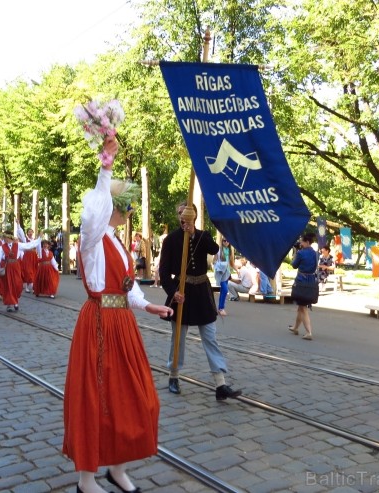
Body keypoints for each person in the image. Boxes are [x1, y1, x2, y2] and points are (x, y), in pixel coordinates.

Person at [62, 135, 172, 493]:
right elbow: (93, 212)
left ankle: (117, 469)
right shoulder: (93, 239)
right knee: (97, 399)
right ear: (114, 208)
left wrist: (147, 305)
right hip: (98, 324)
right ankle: (86, 478)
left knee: (137, 399)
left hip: (122, 323)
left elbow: (128, 287)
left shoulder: (117, 242)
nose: (128, 217)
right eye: (126, 210)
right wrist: (105, 168)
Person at [159, 201, 242, 400]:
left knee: (210, 338)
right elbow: (163, 273)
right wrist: (172, 292)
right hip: (182, 293)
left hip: (202, 293)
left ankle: (220, 384)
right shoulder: (171, 240)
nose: (183, 216)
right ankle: (174, 376)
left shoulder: (203, 236)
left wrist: (195, 233)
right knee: (178, 338)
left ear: (194, 216)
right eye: (180, 213)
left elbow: (214, 249)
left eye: (187, 213)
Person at [288, 233, 318, 340]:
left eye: (302, 241)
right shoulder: (315, 253)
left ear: (307, 242)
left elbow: (294, 265)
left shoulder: (301, 253)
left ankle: (309, 332)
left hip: (301, 281)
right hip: (311, 281)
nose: (300, 243)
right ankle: (295, 327)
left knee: (303, 307)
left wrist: (296, 254)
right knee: (301, 306)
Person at [213, 238, 232, 316]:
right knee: (225, 289)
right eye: (224, 240)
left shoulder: (230, 251)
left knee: (222, 291)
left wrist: (237, 270)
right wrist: (219, 265)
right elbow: (214, 261)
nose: (226, 242)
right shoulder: (218, 250)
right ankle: (221, 308)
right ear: (221, 241)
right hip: (221, 273)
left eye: (228, 240)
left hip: (227, 273)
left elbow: (231, 263)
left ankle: (220, 308)